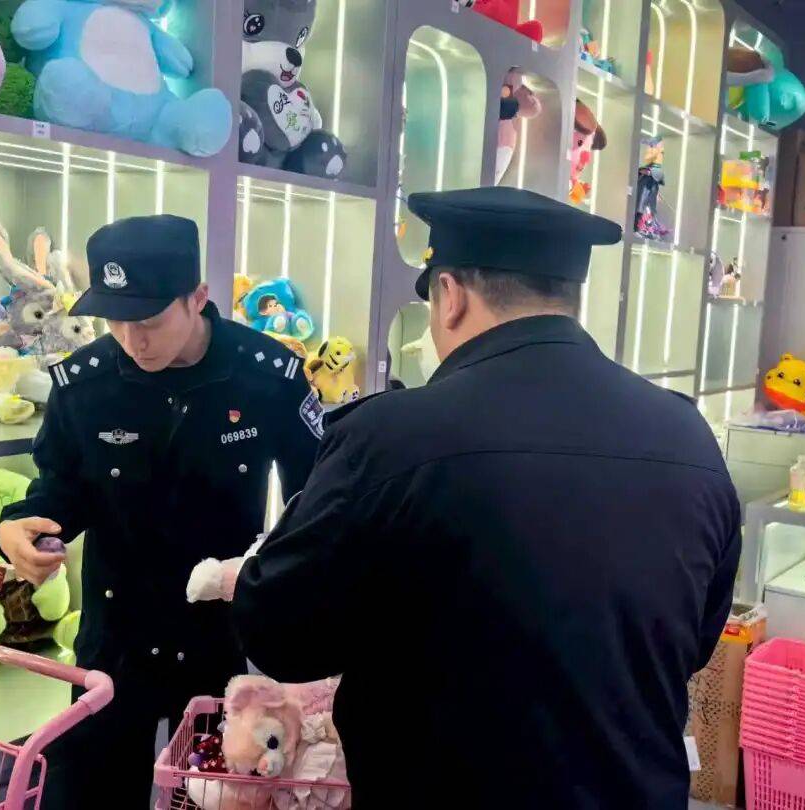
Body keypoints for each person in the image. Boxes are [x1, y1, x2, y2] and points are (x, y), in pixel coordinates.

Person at [232, 187, 741, 808]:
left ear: (449, 296)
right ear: (568, 296)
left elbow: (280, 633)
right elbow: (697, 636)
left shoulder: (390, 436)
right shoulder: (687, 435)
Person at [0, 214, 323, 807]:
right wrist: (19, 527)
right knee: (85, 794)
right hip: (115, 636)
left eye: (148, 321)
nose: (131, 340)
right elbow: (60, 488)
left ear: (197, 297)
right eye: (114, 320)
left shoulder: (267, 375)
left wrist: (284, 589)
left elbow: (316, 496)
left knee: (216, 796)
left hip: (220, 637)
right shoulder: (84, 383)